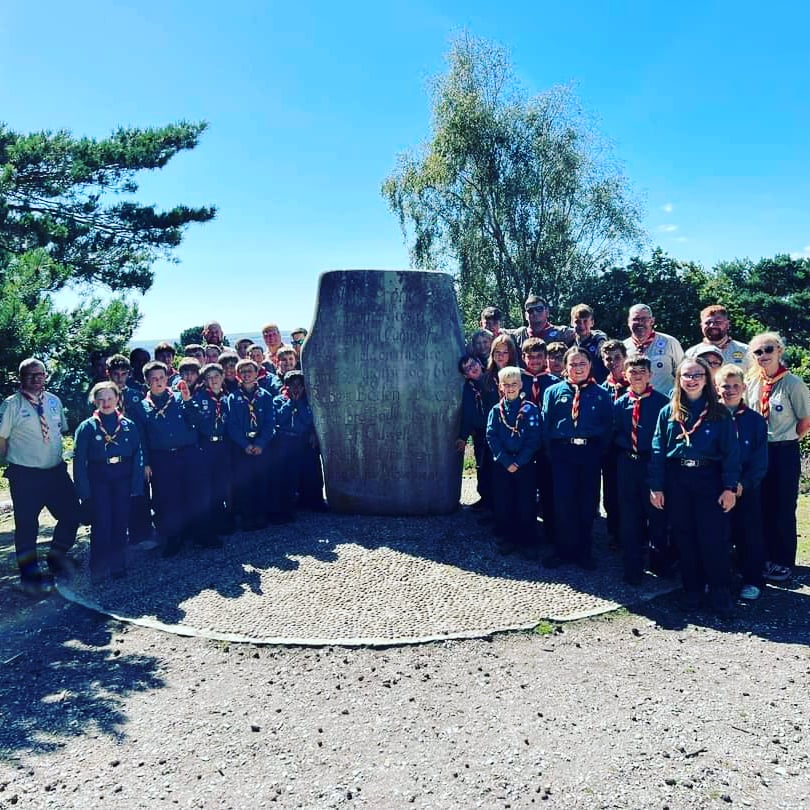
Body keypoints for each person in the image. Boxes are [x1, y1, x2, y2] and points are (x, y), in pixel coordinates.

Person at [649, 357, 740, 618]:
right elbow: (657, 450)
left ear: (706, 378)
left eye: (697, 374)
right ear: (679, 379)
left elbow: (731, 453)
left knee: (713, 537)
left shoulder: (719, 412)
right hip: (677, 479)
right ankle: (692, 589)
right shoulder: (669, 411)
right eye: (686, 375)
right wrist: (656, 486)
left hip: (708, 479)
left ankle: (720, 590)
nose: (692, 379)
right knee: (684, 536)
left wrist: (729, 487)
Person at [0, 359, 81, 595]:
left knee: (71, 514)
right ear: (20, 377)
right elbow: (1, 439)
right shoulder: (11, 406)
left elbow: (59, 431)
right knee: (27, 525)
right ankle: (29, 575)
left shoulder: (54, 401)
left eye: (40, 374)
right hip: (25, 475)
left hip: (55, 472)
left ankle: (57, 557)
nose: (36, 379)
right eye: (30, 375)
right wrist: (9, 463)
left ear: (46, 376)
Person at [744, 332, 810, 582]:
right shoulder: (751, 382)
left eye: (768, 350)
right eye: (758, 352)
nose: (763, 356)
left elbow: (805, 420)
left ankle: (783, 561)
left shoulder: (793, 383)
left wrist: (788, 440)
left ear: (779, 351)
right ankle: (763, 557)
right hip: (757, 451)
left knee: (782, 506)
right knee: (760, 505)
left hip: (783, 450)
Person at [541, 347, 613, 570]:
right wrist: (553, 453)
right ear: (565, 367)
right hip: (562, 454)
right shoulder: (553, 392)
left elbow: (608, 427)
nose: (578, 368)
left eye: (582, 363)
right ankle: (563, 550)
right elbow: (546, 424)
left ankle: (584, 551)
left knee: (586, 502)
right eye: (573, 364)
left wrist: (597, 453)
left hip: (589, 454)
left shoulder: (602, 394)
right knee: (563, 502)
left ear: (590, 365)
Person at [73, 382, 145, 583]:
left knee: (120, 522)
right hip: (99, 479)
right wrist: (84, 493)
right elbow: (79, 461)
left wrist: (136, 486)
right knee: (101, 523)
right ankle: (98, 567)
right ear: (95, 401)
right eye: (101, 399)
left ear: (117, 400)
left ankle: (118, 564)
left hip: (122, 478)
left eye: (110, 398)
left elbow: (138, 455)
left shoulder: (128, 425)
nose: (106, 403)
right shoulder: (87, 427)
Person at [612, 356, 669, 585]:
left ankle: (659, 562)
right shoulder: (620, 403)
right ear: (625, 376)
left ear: (650, 375)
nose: (637, 376)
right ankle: (632, 565)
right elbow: (614, 432)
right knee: (630, 516)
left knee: (657, 515)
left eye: (641, 372)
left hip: (652, 462)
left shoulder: (662, 403)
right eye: (632, 372)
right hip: (628, 463)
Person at [715, 364, 768, 600]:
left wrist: (742, 484)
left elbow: (759, 460)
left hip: (745, 487)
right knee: (717, 535)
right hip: (716, 487)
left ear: (744, 387)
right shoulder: (710, 417)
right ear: (716, 388)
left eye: (736, 386)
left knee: (749, 535)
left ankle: (752, 579)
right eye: (725, 386)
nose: (731, 390)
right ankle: (719, 579)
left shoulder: (755, 421)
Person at [139, 361, 200, 557]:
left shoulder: (179, 398)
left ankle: (196, 533)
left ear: (168, 378)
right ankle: (173, 538)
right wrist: (146, 462)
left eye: (162, 378)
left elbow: (196, 421)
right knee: (167, 498)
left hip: (186, 453)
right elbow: (141, 438)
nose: (158, 382)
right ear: (147, 381)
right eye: (154, 379)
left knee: (191, 493)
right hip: (161, 457)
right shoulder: (140, 407)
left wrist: (188, 400)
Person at [485, 366, 541, 558]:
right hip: (502, 464)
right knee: (504, 502)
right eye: (506, 385)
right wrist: (506, 460)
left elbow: (534, 438)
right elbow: (491, 436)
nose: (510, 388)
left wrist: (519, 461)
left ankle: (527, 541)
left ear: (521, 385)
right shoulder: (495, 410)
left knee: (526, 502)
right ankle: (507, 538)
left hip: (524, 464)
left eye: (514, 384)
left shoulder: (530, 409)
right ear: (500, 387)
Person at [226, 358, 280, 528]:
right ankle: (247, 516)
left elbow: (270, 422)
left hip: (262, 445)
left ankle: (261, 514)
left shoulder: (265, 396)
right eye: (243, 372)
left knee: (262, 480)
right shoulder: (233, 398)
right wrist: (245, 445)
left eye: (250, 371)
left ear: (257, 373)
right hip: (242, 446)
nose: (247, 374)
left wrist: (261, 443)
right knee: (245, 482)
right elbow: (231, 425)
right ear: (237, 375)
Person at [519, 338, 559, 542]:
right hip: (523, 446)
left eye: (539, 356)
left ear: (545, 358)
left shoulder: (555, 383)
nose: (534, 360)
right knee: (524, 492)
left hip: (546, 447)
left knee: (548, 490)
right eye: (530, 356)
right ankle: (526, 535)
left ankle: (552, 533)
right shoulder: (517, 381)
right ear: (523, 357)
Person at [273, 370, 325, 516]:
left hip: (304, 439)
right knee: (288, 472)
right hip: (286, 440)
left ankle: (314, 501)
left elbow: (308, 419)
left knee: (310, 471)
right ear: (286, 386)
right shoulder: (278, 401)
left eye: (299, 385)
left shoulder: (309, 402)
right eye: (292, 385)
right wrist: (291, 402)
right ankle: (289, 502)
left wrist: (299, 404)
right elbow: (280, 418)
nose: (296, 389)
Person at [190, 363, 232, 541]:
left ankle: (221, 518)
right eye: (209, 378)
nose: (213, 380)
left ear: (223, 377)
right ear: (205, 381)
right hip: (206, 446)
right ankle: (208, 526)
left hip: (223, 445)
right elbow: (195, 423)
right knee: (206, 487)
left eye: (216, 376)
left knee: (221, 483)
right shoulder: (199, 398)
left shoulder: (228, 398)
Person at [623, 304, 684, 395]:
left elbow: (682, 373)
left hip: (666, 402)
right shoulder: (623, 347)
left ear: (652, 321)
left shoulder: (669, 342)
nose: (640, 323)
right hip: (634, 403)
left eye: (644, 319)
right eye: (635, 319)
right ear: (628, 322)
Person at [456, 354, 489, 510]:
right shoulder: (469, 389)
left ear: (479, 363)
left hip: (499, 430)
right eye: (468, 368)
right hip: (481, 433)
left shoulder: (493, 379)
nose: (473, 368)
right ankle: (485, 500)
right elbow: (468, 414)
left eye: (473, 364)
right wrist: (463, 437)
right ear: (465, 375)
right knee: (481, 466)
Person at [685, 305, 750, 369]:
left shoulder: (745, 351)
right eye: (708, 322)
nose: (712, 325)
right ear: (701, 325)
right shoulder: (691, 354)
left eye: (718, 322)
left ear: (727, 325)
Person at [510, 295, 575, 353]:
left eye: (539, 309)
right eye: (530, 310)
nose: (535, 313)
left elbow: (582, 331)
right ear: (526, 315)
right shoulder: (518, 335)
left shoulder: (562, 333)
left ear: (547, 312)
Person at [571, 304, 608, 383]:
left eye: (585, 321)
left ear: (592, 322)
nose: (582, 325)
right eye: (577, 321)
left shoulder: (599, 343)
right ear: (571, 323)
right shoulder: (568, 343)